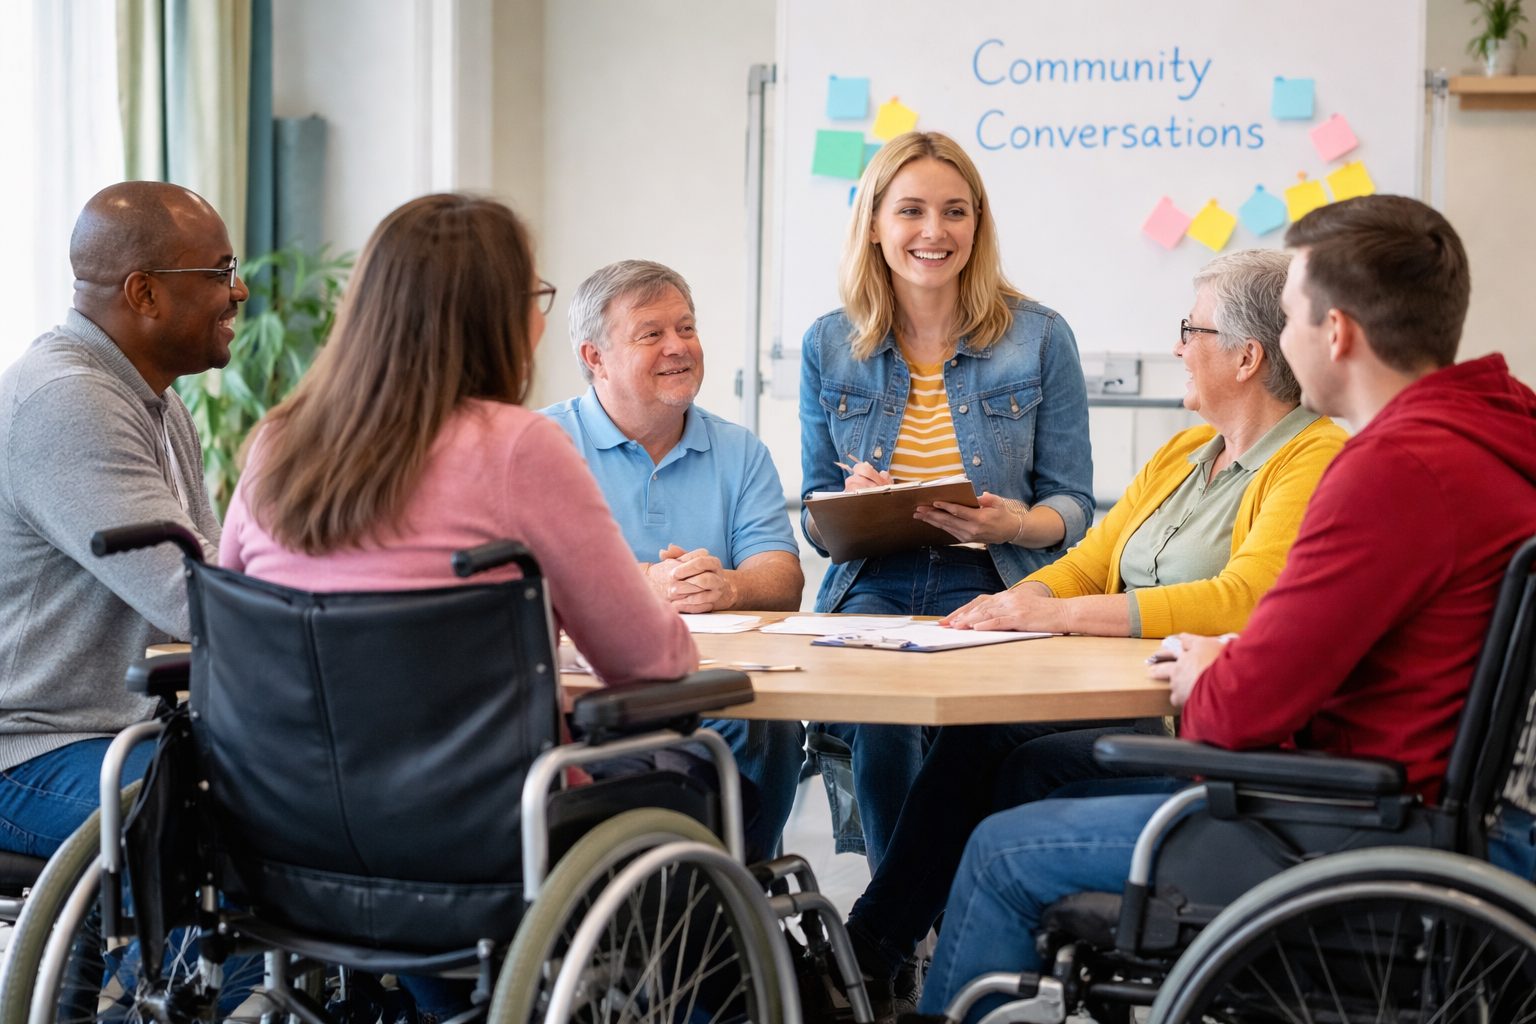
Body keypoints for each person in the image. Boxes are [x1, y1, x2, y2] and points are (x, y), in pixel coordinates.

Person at [912, 195, 1536, 1024]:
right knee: (1030, 769)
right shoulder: (1495, 431)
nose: (1279, 342)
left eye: (1288, 318)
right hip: (1447, 813)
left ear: (1337, 333)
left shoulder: (1390, 472)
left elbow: (1235, 714)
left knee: (1000, 852)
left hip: (1355, 829)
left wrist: (1214, 668)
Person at [220, 194, 699, 1020]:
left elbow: (231, 626)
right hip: (477, 847)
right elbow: (651, 664)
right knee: (691, 785)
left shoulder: (276, 443)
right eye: (535, 301)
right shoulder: (518, 447)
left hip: (283, 842)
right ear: (496, 318)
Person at [837, 248, 1347, 1014]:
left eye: (1190, 329)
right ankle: (932, 967)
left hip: (1187, 712)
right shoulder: (1183, 453)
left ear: (1246, 356)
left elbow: (1245, 600)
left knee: (993, 753)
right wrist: (1012, 605)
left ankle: (874, 958)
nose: (1177, 347)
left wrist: (1062, 615)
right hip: (1121, 689)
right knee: (999, 757)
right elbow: (1091, 561)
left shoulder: (1313, 457)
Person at [798, 130, 1095, 888]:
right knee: (883, 720)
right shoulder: (828, 345)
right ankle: (916, 924)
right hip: (875, 580)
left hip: (993, 579)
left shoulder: (1040, 336)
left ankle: (891, 931)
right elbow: (813, 516)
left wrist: (1015, 524)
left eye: (955, 212)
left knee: (970, 732)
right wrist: (845, 507)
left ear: (978, 224)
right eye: (912, 212)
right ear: (873, 223)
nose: (935, 232)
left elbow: (1074, 503)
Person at [0, 182, 237, 858]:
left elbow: (203, 569)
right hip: (32, 750)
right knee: (237, 816)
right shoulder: (69, 400)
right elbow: (196, 598)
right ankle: (170, 971)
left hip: (121, 730)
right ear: (144, 293)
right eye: (221, 271)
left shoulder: (155, 403)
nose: (238, 292)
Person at [543, 259, 805, 858]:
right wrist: (642, 584)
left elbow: (782, 577)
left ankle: (739, 886)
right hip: (584, 693)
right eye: (651, 334)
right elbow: (526, 573)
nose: (678, 347)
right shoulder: (545, 444)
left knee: (772, 725)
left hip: (707, 683)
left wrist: (729, 588)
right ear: (594, 358)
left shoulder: (739, 449)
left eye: (686, 328)